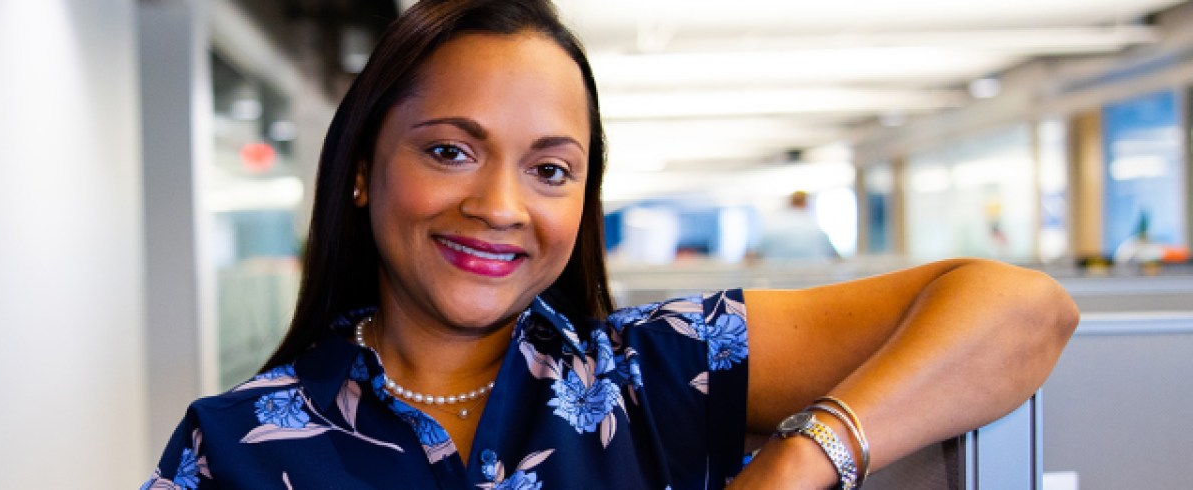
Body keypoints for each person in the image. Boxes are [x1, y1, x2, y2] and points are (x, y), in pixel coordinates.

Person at [142, 1, 1078, 488]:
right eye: (450, 151)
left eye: (550, 170)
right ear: (361, 169)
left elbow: (1023, 309)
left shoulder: (656, 374)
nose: (500, 204)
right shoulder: (233, 446)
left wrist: (798, 461)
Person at [751, 191, 840, 264]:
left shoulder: (772, 227)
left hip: (777, 281)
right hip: (814, 281)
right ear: (806, 204)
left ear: (789, 203)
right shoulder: (817, 229)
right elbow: (836, 257)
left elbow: (754, 256)